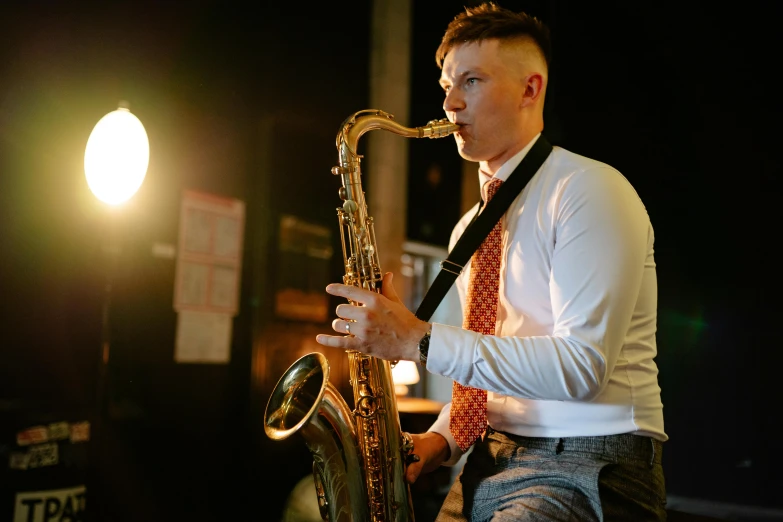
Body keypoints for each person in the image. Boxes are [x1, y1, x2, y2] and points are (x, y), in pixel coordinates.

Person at [316, 2, 667, 520]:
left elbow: (582, 368)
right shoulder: (468, 227)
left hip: (591, 460)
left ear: (531, 88)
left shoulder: (589, 190)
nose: (452, 103)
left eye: (472, 81)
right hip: (489, 459)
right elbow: (481, 378)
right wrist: (440, 442)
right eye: (446, 87)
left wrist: (416, 338)